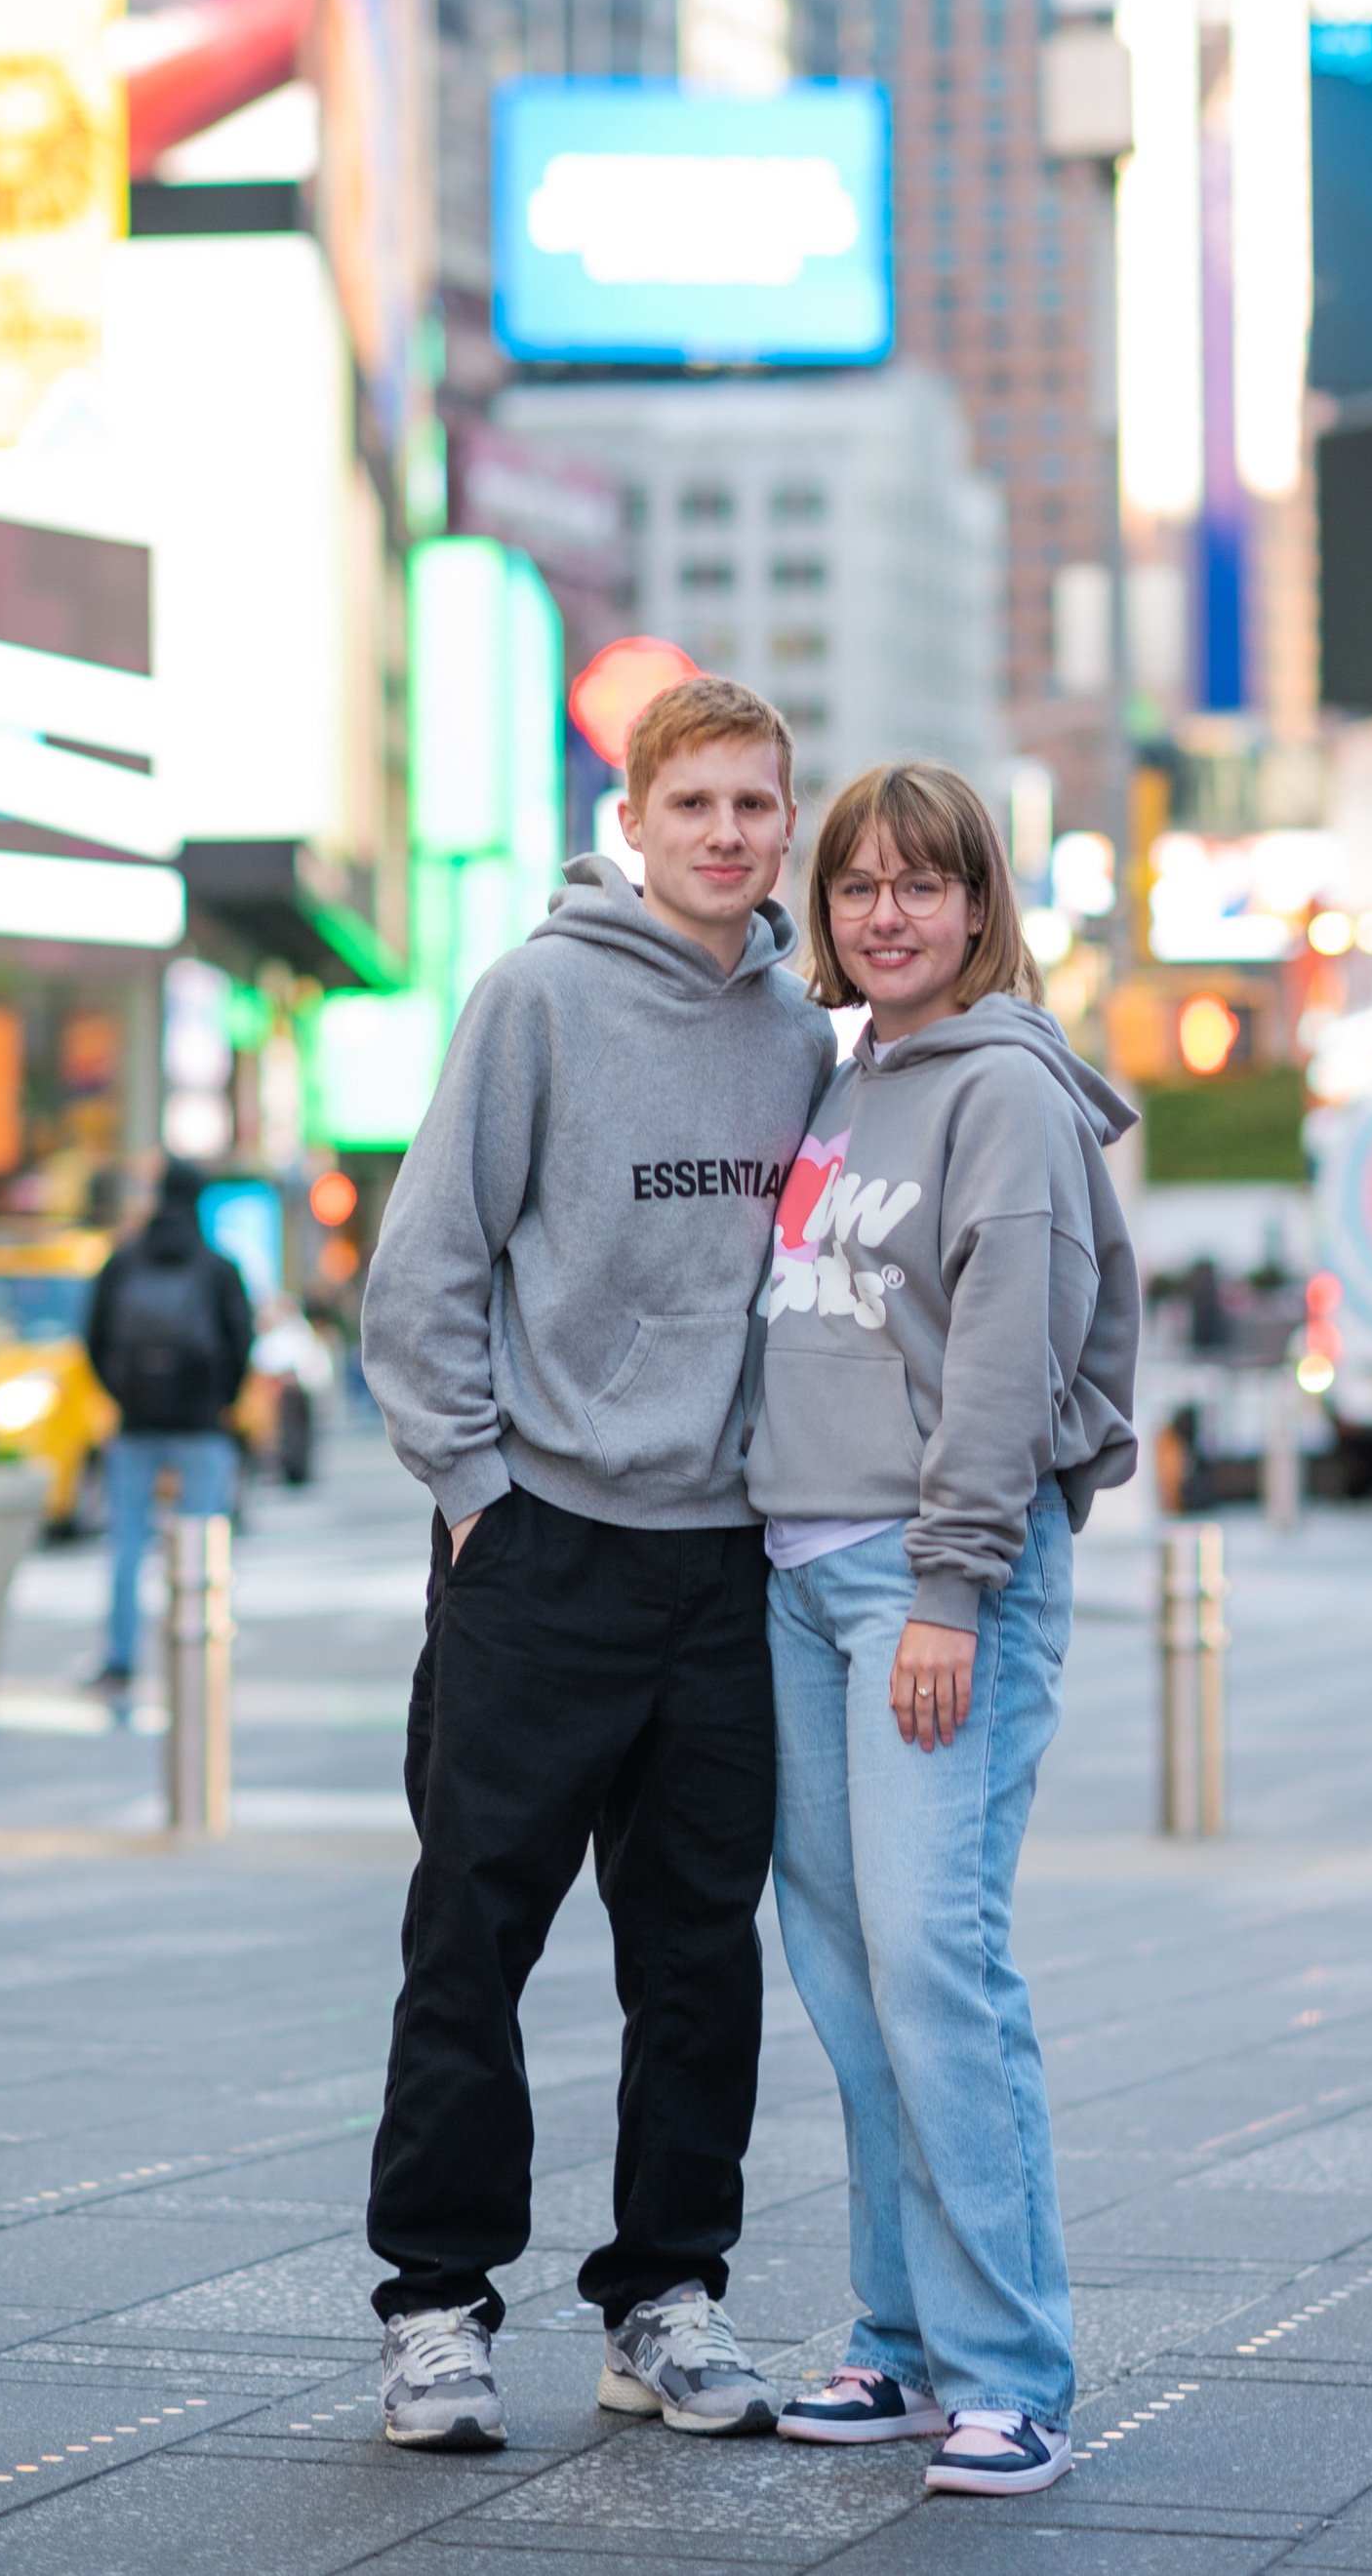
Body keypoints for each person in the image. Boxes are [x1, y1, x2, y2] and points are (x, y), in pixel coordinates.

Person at [360, 675, 833, 2456]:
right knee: (470, 1939)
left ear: (789, 822)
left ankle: (665, 2295)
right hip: (542, 1548)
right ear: (632, 823)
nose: (726, 832)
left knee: (702, 1955)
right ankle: (432, 2307)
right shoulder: (537, 996)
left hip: (728, 1566)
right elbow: (425, 1266)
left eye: (756, 804)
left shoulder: (805, 1033)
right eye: (693, 802)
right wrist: (478, 1489)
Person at [747, 761, 1139, 2500]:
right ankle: (898, 2344)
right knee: (847, 1978)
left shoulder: (1006, 1094)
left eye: (921, 884)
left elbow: (1007, 1358)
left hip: (929, 1578)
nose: (884, 912)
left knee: (935, 1965)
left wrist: (952, 1586)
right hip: (796, 1572)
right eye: (856, 887)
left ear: (983, 905)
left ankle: (1011, 2370)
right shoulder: (853, 1077)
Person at [83, 1159, 256, 1693]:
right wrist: (217, 1402)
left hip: (135, 1422)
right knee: (203, 1543)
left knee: (127, 1545)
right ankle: (199, 1650)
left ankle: (119, 1659)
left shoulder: (124, 1261)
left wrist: (123, 1395)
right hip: (201, 1424)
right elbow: (241, 1341)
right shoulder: (218, 1266)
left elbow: (92, 1336)